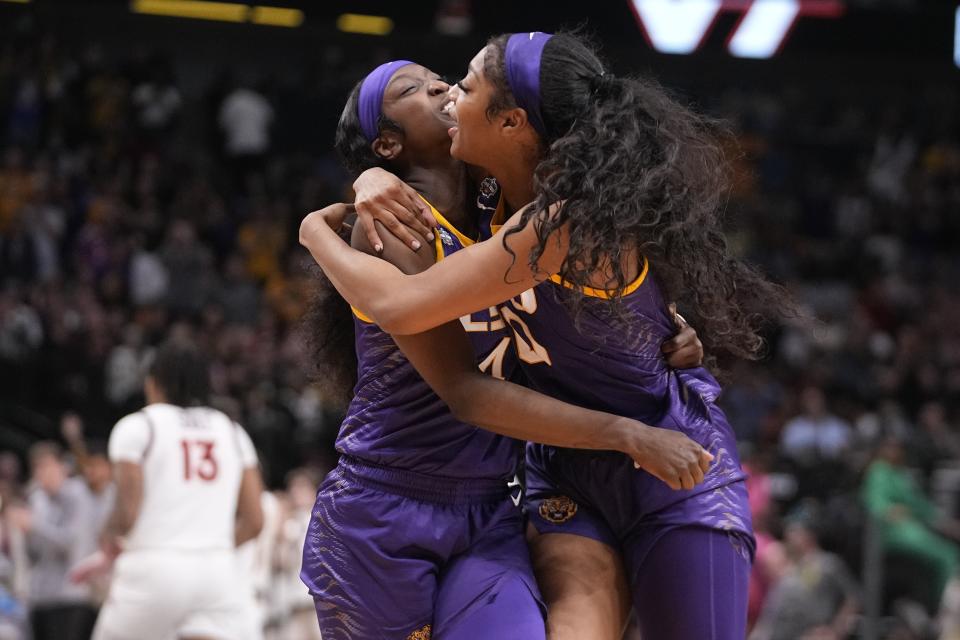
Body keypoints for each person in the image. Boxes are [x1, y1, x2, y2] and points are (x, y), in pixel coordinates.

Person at [300, 31, 796, 638]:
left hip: (626, 464)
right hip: (488, 482)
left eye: (463, 84)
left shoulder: (546, 216)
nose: (447, 89)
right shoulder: (441, 216)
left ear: (510, 123)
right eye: (422, 86)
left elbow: (405, 308)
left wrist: (314, 228)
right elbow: (449, 366)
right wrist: (355, 192)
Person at [85, 339, 265, 640]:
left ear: (153, 383)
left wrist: (106, 536)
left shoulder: (139, 426)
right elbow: (255, 521)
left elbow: (128, 513)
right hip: (218, 572)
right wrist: (207, 549)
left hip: (154, 567)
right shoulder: (232, 430)